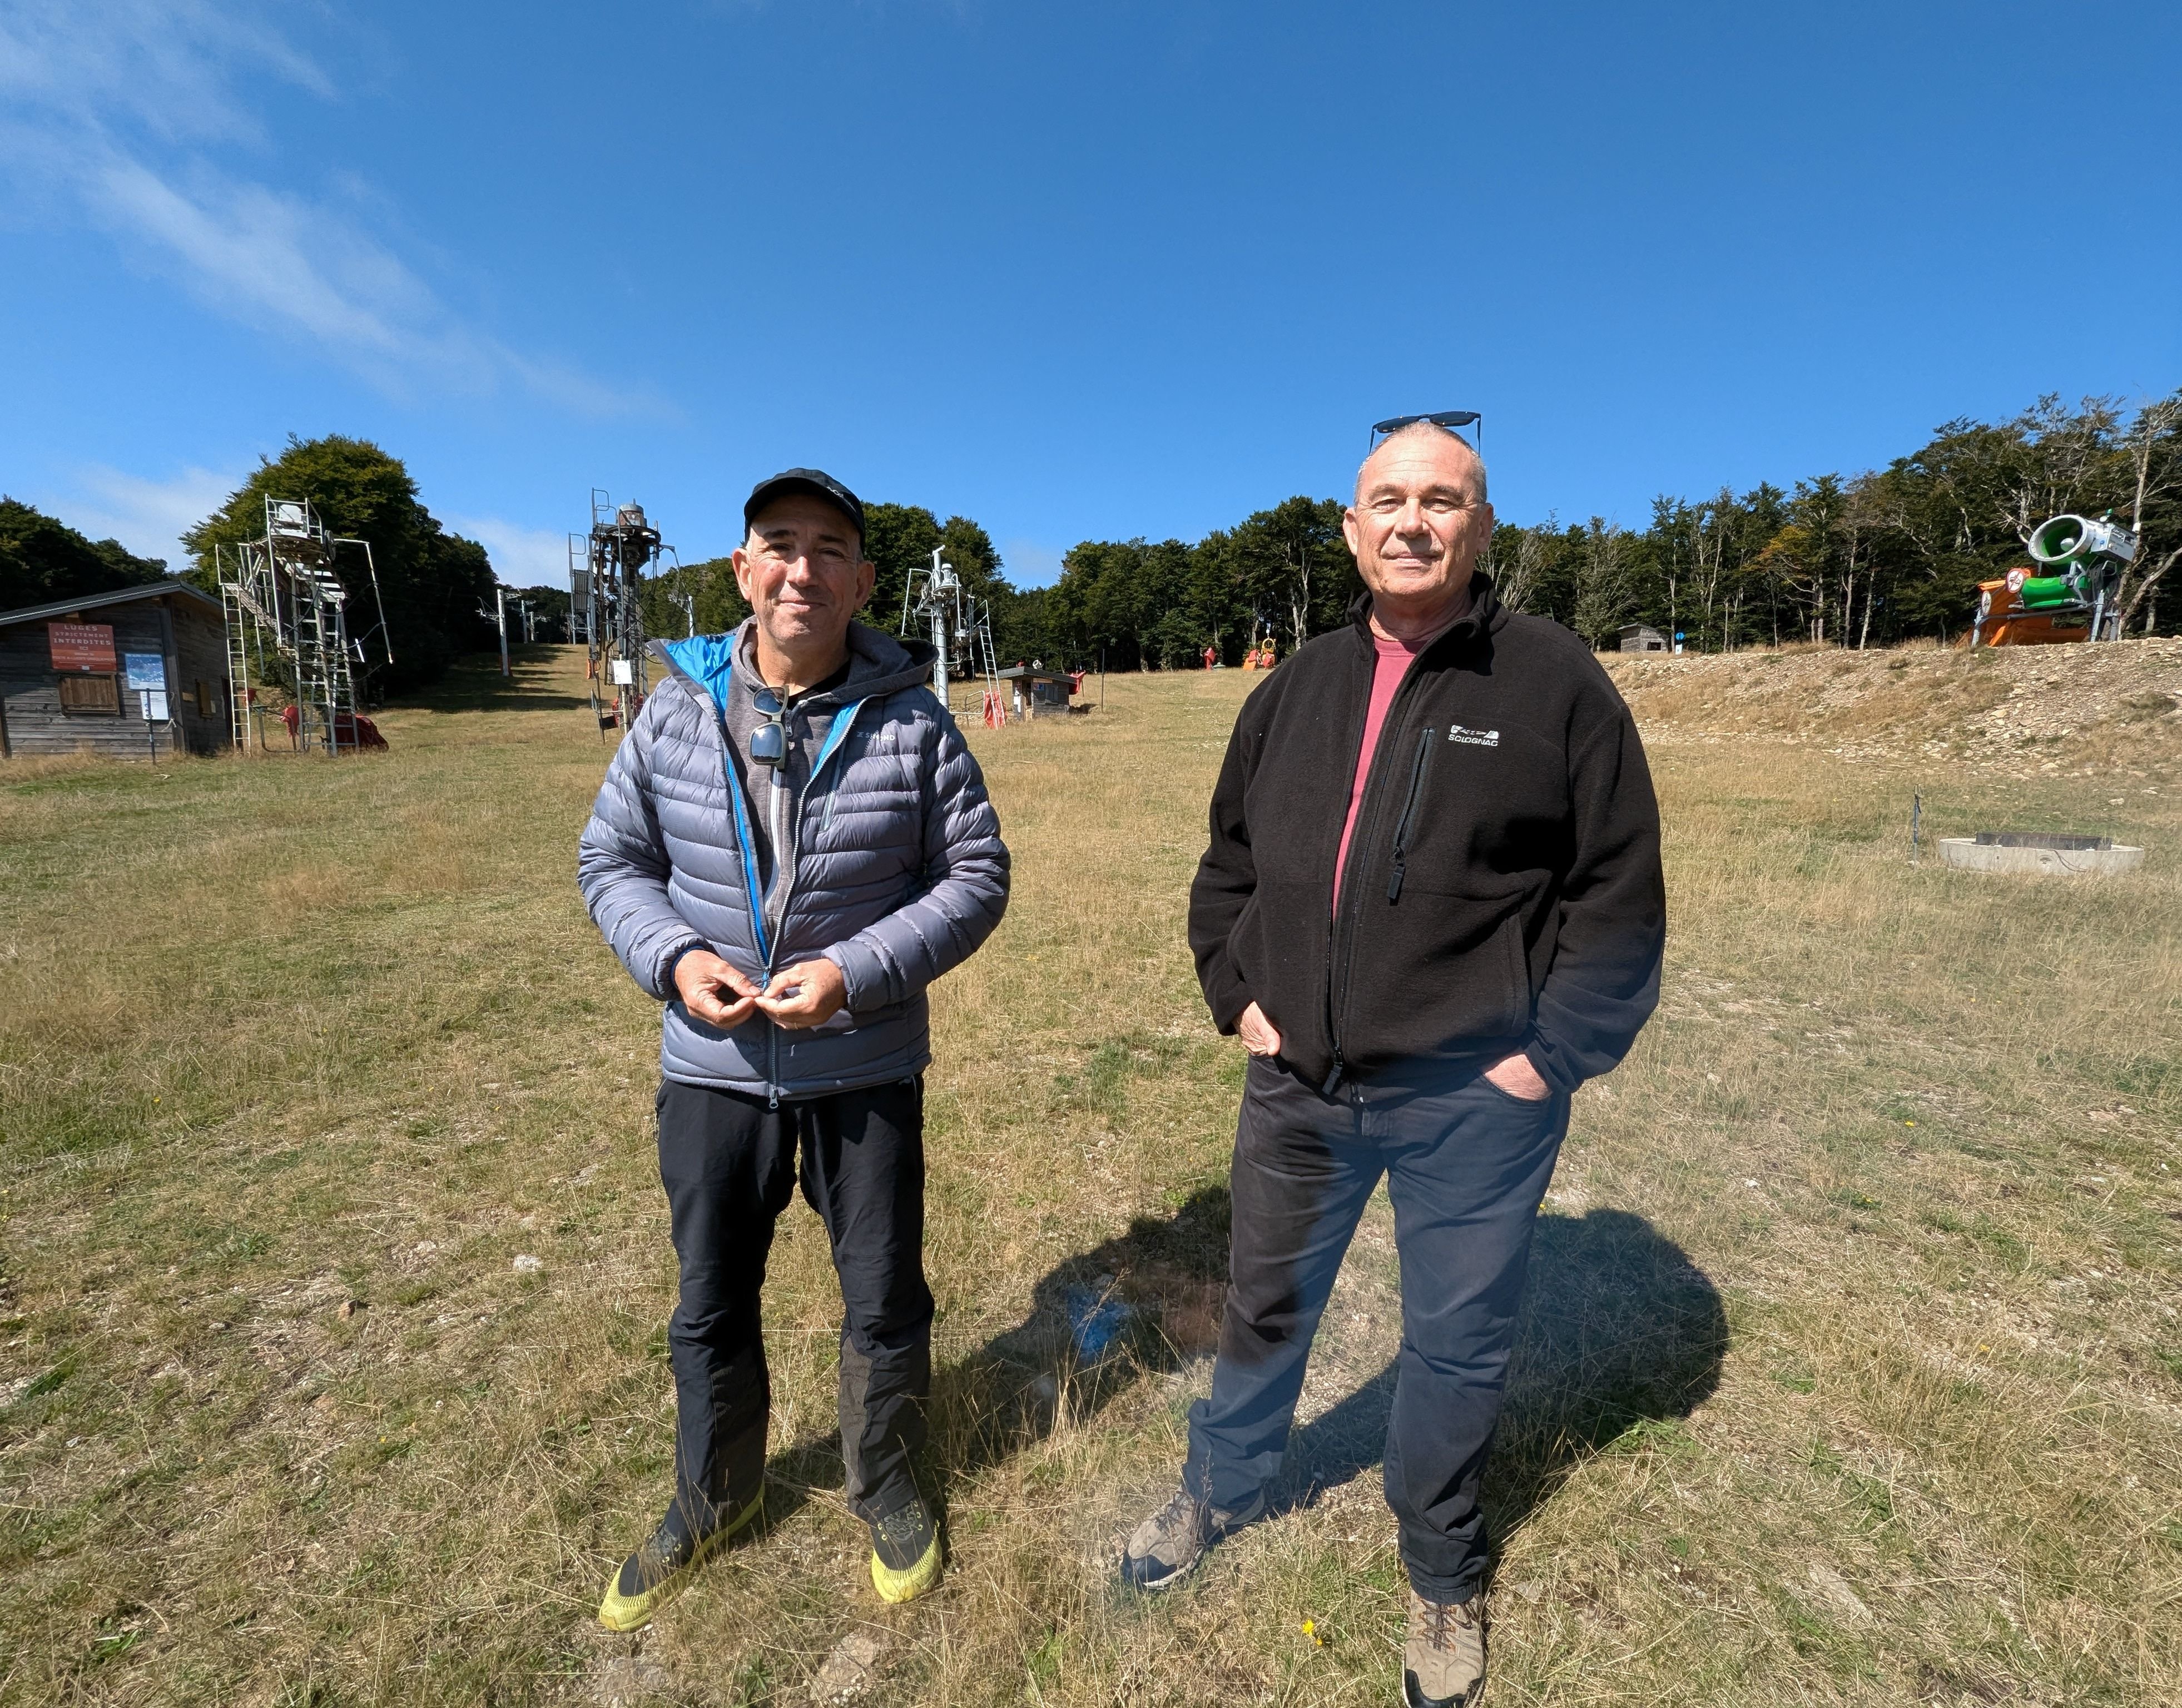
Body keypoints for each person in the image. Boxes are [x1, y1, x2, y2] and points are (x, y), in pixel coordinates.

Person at [1118, 423, 1664, 1708]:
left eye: (1441, 500)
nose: (1413, 522)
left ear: (1482, 529)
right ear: (1352, 530)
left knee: (1458, 1342)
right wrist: (1236, 994)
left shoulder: (1554, 683)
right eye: (1388, 501)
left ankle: (1441, 1570)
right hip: (1298, 1085)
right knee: (1264, 1302)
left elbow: (1617, 894)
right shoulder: (1293, 686)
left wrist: (1551, 1057)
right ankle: (1223, 1488)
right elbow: (1229, 863)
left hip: (1475, 1102)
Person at [578, 468, 1009, 1632]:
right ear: (742, 570)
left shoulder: (915, 719)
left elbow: (977, 877)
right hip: (712, 1074)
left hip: (863, 1070)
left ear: (864, 582)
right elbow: (609, 862)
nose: (801, 568)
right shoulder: (673, 707)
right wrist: (673, 959)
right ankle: (713, 1495)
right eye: (779, 544)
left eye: (829, 550)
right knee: (710, 1302)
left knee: (882, 1299)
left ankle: (885, 1484)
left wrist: (855, 974)